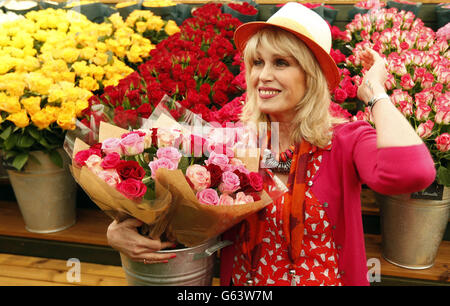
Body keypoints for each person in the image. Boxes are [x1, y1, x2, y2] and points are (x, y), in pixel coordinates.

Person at [107, 2, 436, 285]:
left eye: (281, 63)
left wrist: (376, 93)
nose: (262, 75)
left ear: (311, 76)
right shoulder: (230, 144)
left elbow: (413, 173)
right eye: (257, 62)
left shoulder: (346, 140)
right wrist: (118, 231)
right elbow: (168, 206)